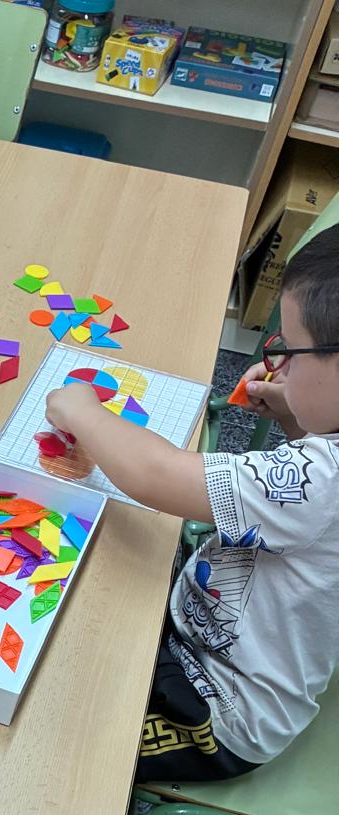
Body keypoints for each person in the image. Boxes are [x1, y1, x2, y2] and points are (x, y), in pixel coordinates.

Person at [44, 227, 339, 783]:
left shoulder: (322, 483)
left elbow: (154, 475)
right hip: (204, 623)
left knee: (60, 739)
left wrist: (81, 410)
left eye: (291, 351)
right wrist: (297, 412)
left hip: (218, 706)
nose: (277, 363)